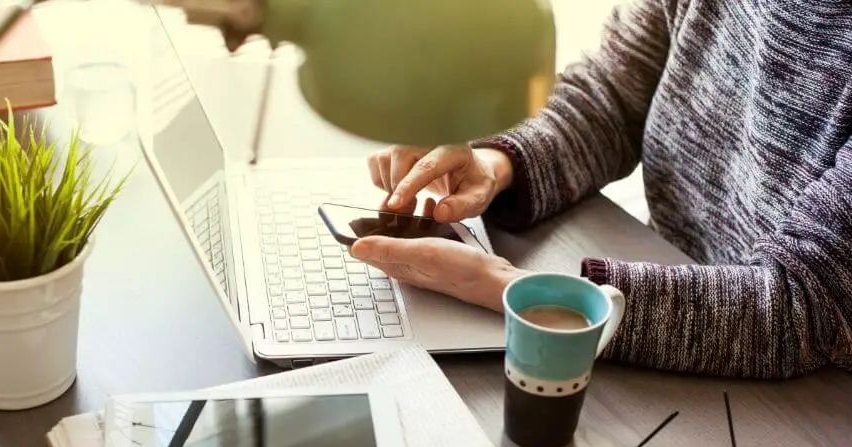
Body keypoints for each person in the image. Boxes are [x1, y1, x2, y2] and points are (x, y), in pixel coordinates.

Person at [348, 0, 852, 380]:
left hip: (810, 403)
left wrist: (512, 289)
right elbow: (609, 96)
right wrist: (496, 163)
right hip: (672, 287)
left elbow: (806, 304)